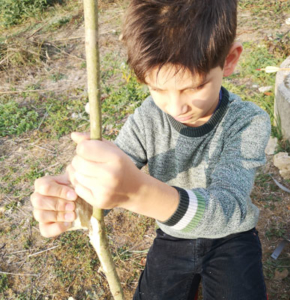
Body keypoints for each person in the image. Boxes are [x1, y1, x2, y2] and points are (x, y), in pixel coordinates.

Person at [31, 0, 271, 299]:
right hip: (173, 236)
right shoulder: (149, 117)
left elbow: (229, 208)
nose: (175, 107)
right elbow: (118, 163)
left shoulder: (248, 122)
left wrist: (139, 194)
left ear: (230, 59)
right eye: (157, 89)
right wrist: (74, 193)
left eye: (194, 87)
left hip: (231, 237)